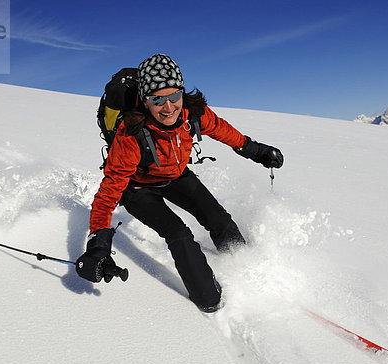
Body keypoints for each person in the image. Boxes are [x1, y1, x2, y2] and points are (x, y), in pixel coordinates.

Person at [76, 54, 283, 312]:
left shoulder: (192, 114)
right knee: (179, 234)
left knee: (217, 217)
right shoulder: (130, 135)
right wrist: (98, 244)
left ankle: (247, 266)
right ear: (144, 100)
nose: (168, 107)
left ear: (183, 93)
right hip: (138, 189)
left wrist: (256, 151)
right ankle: (210, 300)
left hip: (175, 176)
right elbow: (108, 195)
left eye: (174, 96)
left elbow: (223, 130)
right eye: (157, 99)